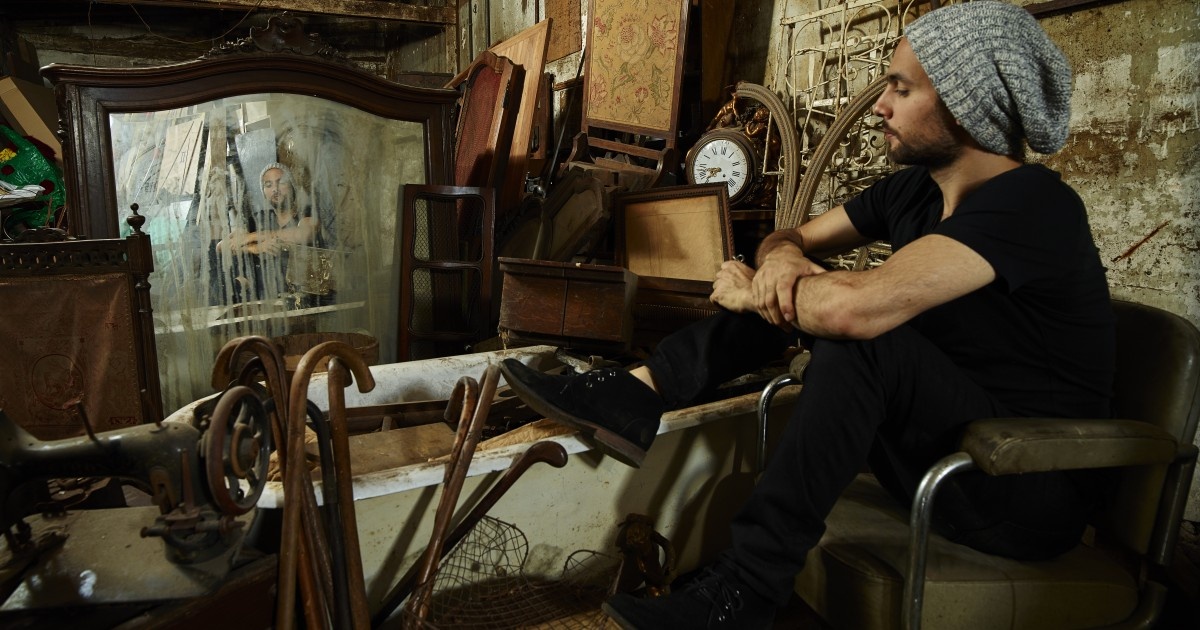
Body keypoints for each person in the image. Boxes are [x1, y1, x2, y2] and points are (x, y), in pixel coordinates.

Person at [499, 2, 1115, 628]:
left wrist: (764, 293)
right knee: (819, 298)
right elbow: (787, 236)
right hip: (935, 459)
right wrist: (786, 265)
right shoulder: (914, 191)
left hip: (1021, 488)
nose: (880, 106)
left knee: (861, 337)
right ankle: (638, 393)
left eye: (902, 89)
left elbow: (852, 314)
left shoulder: (1034, 206)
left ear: (966, 104)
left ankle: (745, 593)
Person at [215, 162, 333, 304]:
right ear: (264, 192)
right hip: (266, 302)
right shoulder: (258, 219)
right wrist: (254, 248)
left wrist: (251, 237)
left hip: (302, 300)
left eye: (281, 183)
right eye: (268, 185)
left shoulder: (307, 213)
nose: (275, 189)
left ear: (292, 186)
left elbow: (304, 234)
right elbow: (221, 247)